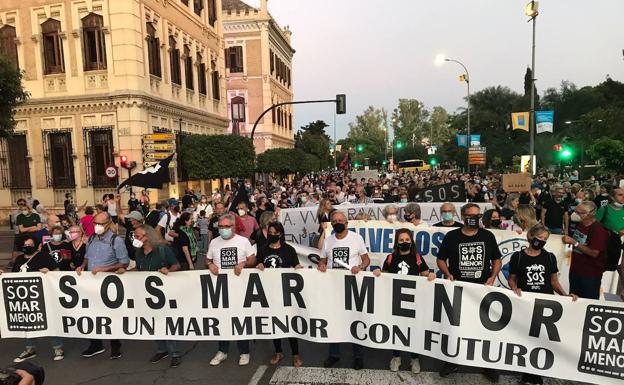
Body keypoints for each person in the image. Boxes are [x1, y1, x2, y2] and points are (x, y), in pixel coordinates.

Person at [436, 203, 502, 381]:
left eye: (478, 216)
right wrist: (448, 273)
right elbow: (440, 259)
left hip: (482, 290)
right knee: (456, 327)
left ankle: (487, 365)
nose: (475, 218)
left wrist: (493, 276)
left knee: (485, 329)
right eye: (471, 215)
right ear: (463, 216)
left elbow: (497, 259)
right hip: (459, 290)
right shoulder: (452, 236)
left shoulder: (487, 236)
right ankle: (453, 360)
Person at [509, 224, 577, 385]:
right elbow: (511, 278)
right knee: (527, 338)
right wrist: (514, 288)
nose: (542, 241)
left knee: (542, 340)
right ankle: (526, 373)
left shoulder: (549, 257)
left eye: (545, 239)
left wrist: (565, 296)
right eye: (539, 238)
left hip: (546, 303)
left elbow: (554, 281)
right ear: (531, 236)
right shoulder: (518, 257)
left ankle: (536, 373)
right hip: (526, 304)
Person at [372, 228, 435, 373]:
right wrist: (378, 273)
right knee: (397, 329)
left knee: (413, 330)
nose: (404, 242)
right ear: (396, 242)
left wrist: (431, 275)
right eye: (401, 240)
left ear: (411, 241)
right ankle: (396, 357)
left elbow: (425, 273)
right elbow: (384, 276)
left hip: (413, 301)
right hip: (395, 300)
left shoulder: (417, 258)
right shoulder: (390, 258)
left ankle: (415, 358)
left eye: (407, 240)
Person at [319, 211, 370, 370]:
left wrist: (360, 267)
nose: (337, 222)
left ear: (346, 223)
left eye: (341, 220)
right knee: (333, 320)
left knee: (355, 320)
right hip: (333, 287)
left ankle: (358, 356)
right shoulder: (328, 241)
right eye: (334, 220)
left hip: (352, 287)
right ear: (331, 223)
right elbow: (323, 260)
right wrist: (321, 265)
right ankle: (334, 355)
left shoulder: (356, 238)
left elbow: (366, 259)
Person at [77, 212, 129, 359]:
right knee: (92, 314)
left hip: (108, 285)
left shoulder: (116, 241)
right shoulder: (92, 238)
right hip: (91, 284)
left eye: (100, 224)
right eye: (95, 223)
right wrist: (82, 266)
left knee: (110, 316)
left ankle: (115, 345)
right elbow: (87, 257)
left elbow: (124, 262)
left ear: (108, 224)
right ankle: (95, 344)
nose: (97, 226)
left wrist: (105, 269)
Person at [206, 214, 256, 366]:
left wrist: (243, 264)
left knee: (240, 319)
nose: (223, 229)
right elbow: (207, 259)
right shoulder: (214, 242)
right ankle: (222, 351)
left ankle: (244, 352)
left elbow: (252, 259)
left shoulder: (243, 241)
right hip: (220, 288)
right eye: (220, 227)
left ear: (233, 227)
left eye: (226, 227)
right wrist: (210, 265)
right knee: (222, 319)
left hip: (239, 288)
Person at [131, 224, 182, 368]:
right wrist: (126, 271)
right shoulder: (139, 252)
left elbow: (176, 265)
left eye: (137, 236)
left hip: (164, 295)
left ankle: (175, 353)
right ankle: (162, 349)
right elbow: (140, 268)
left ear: (147, 237)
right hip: (147, 295)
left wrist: (168, 270)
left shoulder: (162, 250)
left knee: (167, 322)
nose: (135, 239)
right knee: (153, 322)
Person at [255, 222, 303, 367]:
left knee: (289, 323)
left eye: (274, 232)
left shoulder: (289, 250)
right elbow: (258, 264)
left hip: (286, 293)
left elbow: (296, 265)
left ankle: (295, 354)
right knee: (274, 323)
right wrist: (259, 265)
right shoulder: (263, 249)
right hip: (270, 293)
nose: (271, 235)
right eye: (269, 232)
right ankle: (278, 352)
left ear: (280, 234)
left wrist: (298, 268)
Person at [12, 236, 63, 362]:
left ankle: (58, 348)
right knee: (28, 322)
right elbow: (12, 276)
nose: (27, 247)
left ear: (35, 245)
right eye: (25, 244)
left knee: (49, 320)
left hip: (43, 295)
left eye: (30, 244)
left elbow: (57, 271)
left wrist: (48, 272)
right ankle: (30, 349)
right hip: (24, 298)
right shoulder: (19, 259)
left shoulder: (43, 256)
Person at [562, 201, 609, 299]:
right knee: (573, 299)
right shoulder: (581, 224)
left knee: (587, 302)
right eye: (576, 211)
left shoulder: (598, 230)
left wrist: (575, 242)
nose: (575, 214)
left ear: (590, 214)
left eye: (579, 212)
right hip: (575, 271)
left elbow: (594, 253)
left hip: (589, 275)